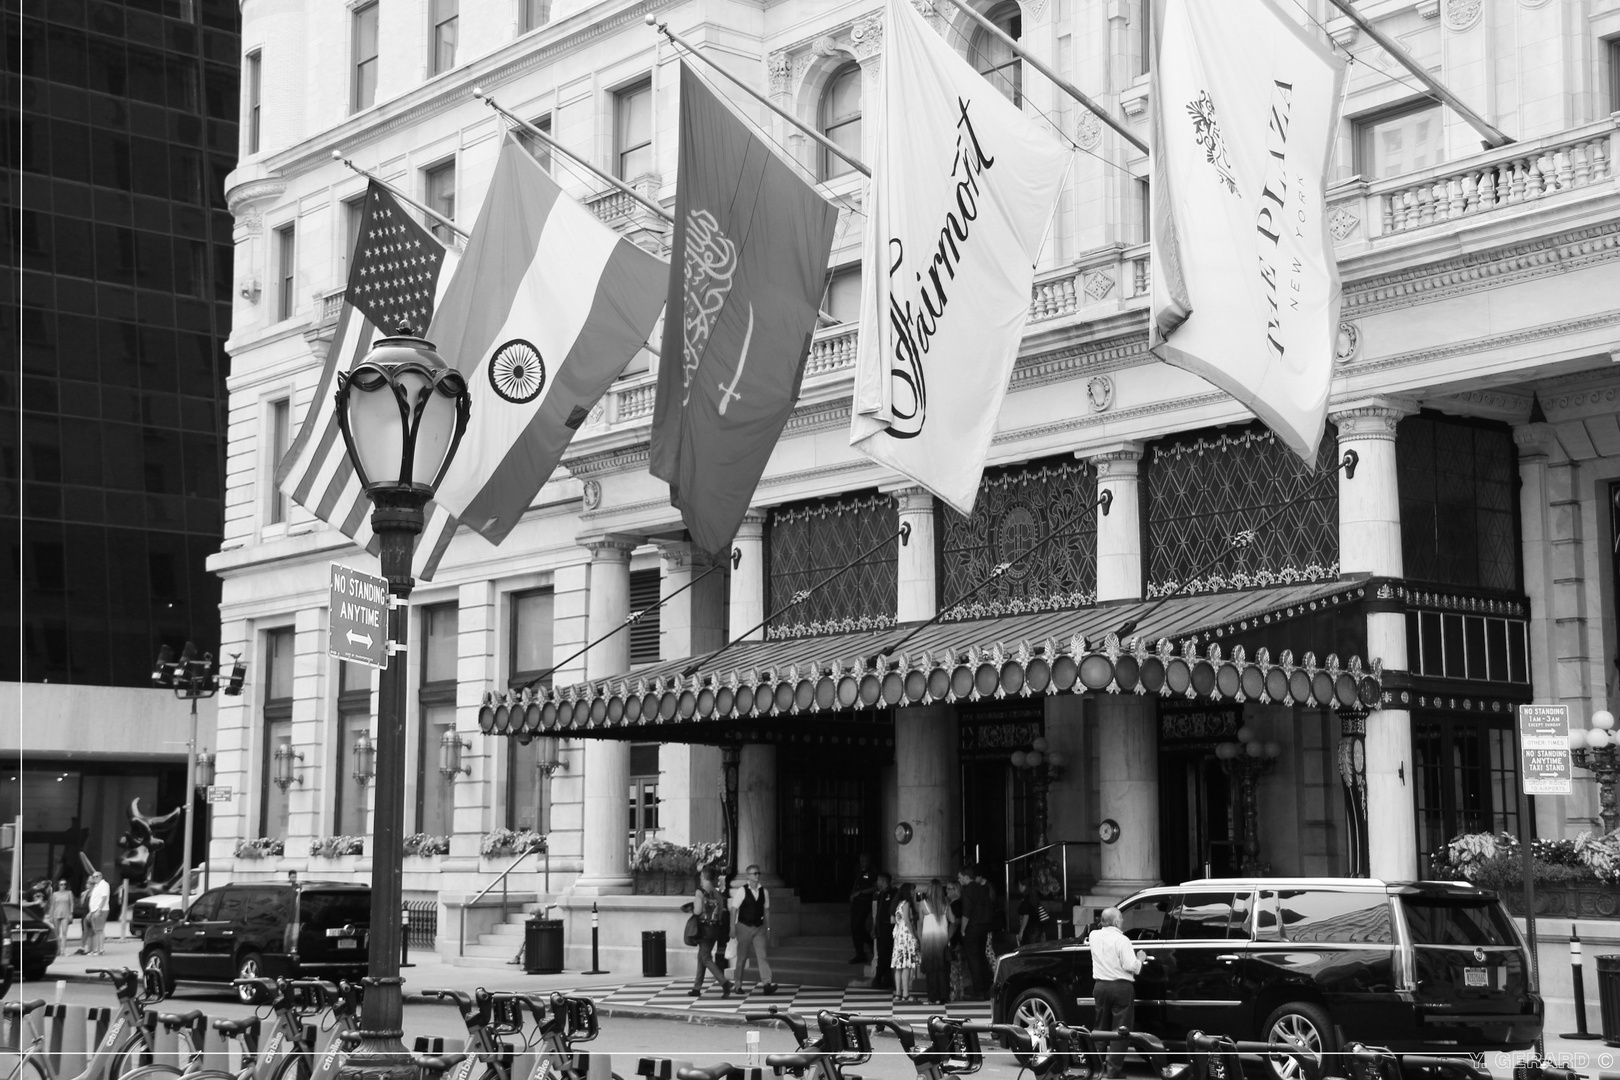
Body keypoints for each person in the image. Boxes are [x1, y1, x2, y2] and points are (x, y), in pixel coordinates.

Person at [1088, 906, 1145, 1080]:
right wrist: (1140, 959)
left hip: (1100, 987)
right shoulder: (1123, 940)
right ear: (1115, 921)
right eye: (1121, 918)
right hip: (1121, 987)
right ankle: (1113, 1072)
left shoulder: (1093, 936)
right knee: (1120, 1031)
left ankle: (1096, 1069)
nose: (1123, 921)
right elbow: (1131, 966)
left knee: (1100, 1029)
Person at [687, 867, 733, 998]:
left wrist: (691, 908)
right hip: (714, 929)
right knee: (702, 955)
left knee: (705, 957)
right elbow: (720, 912)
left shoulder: (700, 892)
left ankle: (724, 982)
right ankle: (696, 987)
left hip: (703, 929)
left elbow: (697, 911)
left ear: (703, 876)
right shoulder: (717, 894)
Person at [731, 864, 777, 996]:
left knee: (762, 956)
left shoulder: (764, 891)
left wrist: (768, 927)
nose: (757, 876)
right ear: (748, 876)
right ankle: (737, 985)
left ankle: (766, 983)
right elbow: (734, 910)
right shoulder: (742, 891)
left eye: (758, 873)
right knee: (742, 957)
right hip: (744, 927)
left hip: (759, 927)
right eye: (754, 874)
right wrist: (732, 927)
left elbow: (766, 910)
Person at [956, 865, 993, 1000]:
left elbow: (967, 912)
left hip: (972, 927)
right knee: (982, 958)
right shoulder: (982, 888)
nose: (959, 881)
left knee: (974, 959)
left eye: (960, 878)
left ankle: (979, 991)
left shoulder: (967, 891)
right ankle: (986, 988)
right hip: (984, 927)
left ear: (966, 877)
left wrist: (963, 929)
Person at [917, 878, 952, 1005]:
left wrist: (919, 939)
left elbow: (920, 923)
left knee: (931, 970)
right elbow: (952, 919)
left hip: (928, 940)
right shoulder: (945, 903)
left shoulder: (923, 904)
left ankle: (933, 998)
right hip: (942, 940)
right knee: (942, 970)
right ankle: (944, 996)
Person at [890, 882, 920, 1003]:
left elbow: (893, 920)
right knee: (906, 965)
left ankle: (898, 993)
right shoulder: (906, 904)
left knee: (898, 966)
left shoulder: (897, 904)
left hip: (898, 935)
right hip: (906, 935)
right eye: (912, 890)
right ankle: (906, 993)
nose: (913, 893)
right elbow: (907, 921)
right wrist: (915, 936)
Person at [847, 853, 879, 964]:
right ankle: (860, 953)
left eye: (865, 861)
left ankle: (868, 945)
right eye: (861, 861)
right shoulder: (859, 870)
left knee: (858, 926)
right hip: (855, 903)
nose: (863, 863)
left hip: (864, 902)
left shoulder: (872, 871)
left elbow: (875, 887)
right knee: (854, 929)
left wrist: (860, 892)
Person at [870, 871, 896, 990]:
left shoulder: (893, 892)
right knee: (882, 953)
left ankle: (878, 978)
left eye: (879, 880)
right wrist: (874, 928)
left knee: (885, 954)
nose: (877, 882)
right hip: (880, 928)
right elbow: (877, 914)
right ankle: (886, 979)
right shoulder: (880, 894)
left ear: (884, 881)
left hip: (888, 928)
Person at [1016, 879, 1052, 945]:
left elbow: (1026, 915)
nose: (1019, 888)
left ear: (1024, 886)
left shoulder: (1026, 899)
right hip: (1038, 927)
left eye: (1020, 885)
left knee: (1028, 947)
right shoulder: (1033, 897)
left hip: (1030, 929)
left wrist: (1021, 931)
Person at [87, 871, 111, 955]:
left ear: (101, 876)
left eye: (96, 876)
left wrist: (99, 910)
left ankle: (100, 949)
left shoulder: (104, 885)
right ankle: (96, 949)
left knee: (99, 930)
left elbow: (104, 898)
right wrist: (91, 911)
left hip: (101, 910)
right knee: (96, 930)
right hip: (94, 910)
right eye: (93, 877)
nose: (95, 878)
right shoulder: (97, 886)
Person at [48, 879, 74, 946]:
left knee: (64, 932)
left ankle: (63, 949)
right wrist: (50, 915)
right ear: (58, 885)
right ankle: (58, 948)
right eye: (61, 884)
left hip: (66, 913)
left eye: (65, 884)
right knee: (57, 932)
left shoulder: (69, 893)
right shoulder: (55, 894)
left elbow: (71, 903)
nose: (63, 886)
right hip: (56, 913)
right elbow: (52, 905)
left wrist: (71, 913)